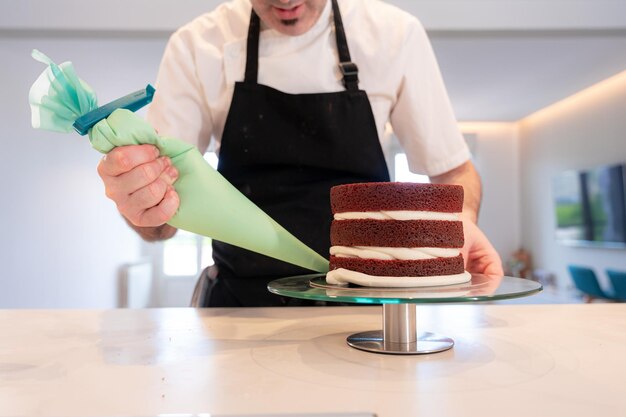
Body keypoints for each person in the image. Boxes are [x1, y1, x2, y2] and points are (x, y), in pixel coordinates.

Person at [97, 0, 503, 307]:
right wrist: (143, 203)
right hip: (239, 309)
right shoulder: (197, 46)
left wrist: (460, 223)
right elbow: (162, 222)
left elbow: (453, 172)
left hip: (364, 305)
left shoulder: (394, 36)